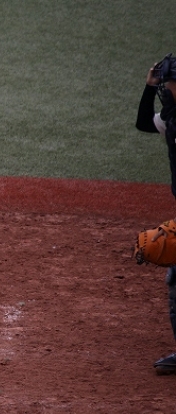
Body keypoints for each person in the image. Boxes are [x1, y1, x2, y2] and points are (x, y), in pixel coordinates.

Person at [136, 53, 176, 374]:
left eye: (168, 82)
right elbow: (144, 123)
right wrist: (149, 88)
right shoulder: (172, 117)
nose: (165, 87)